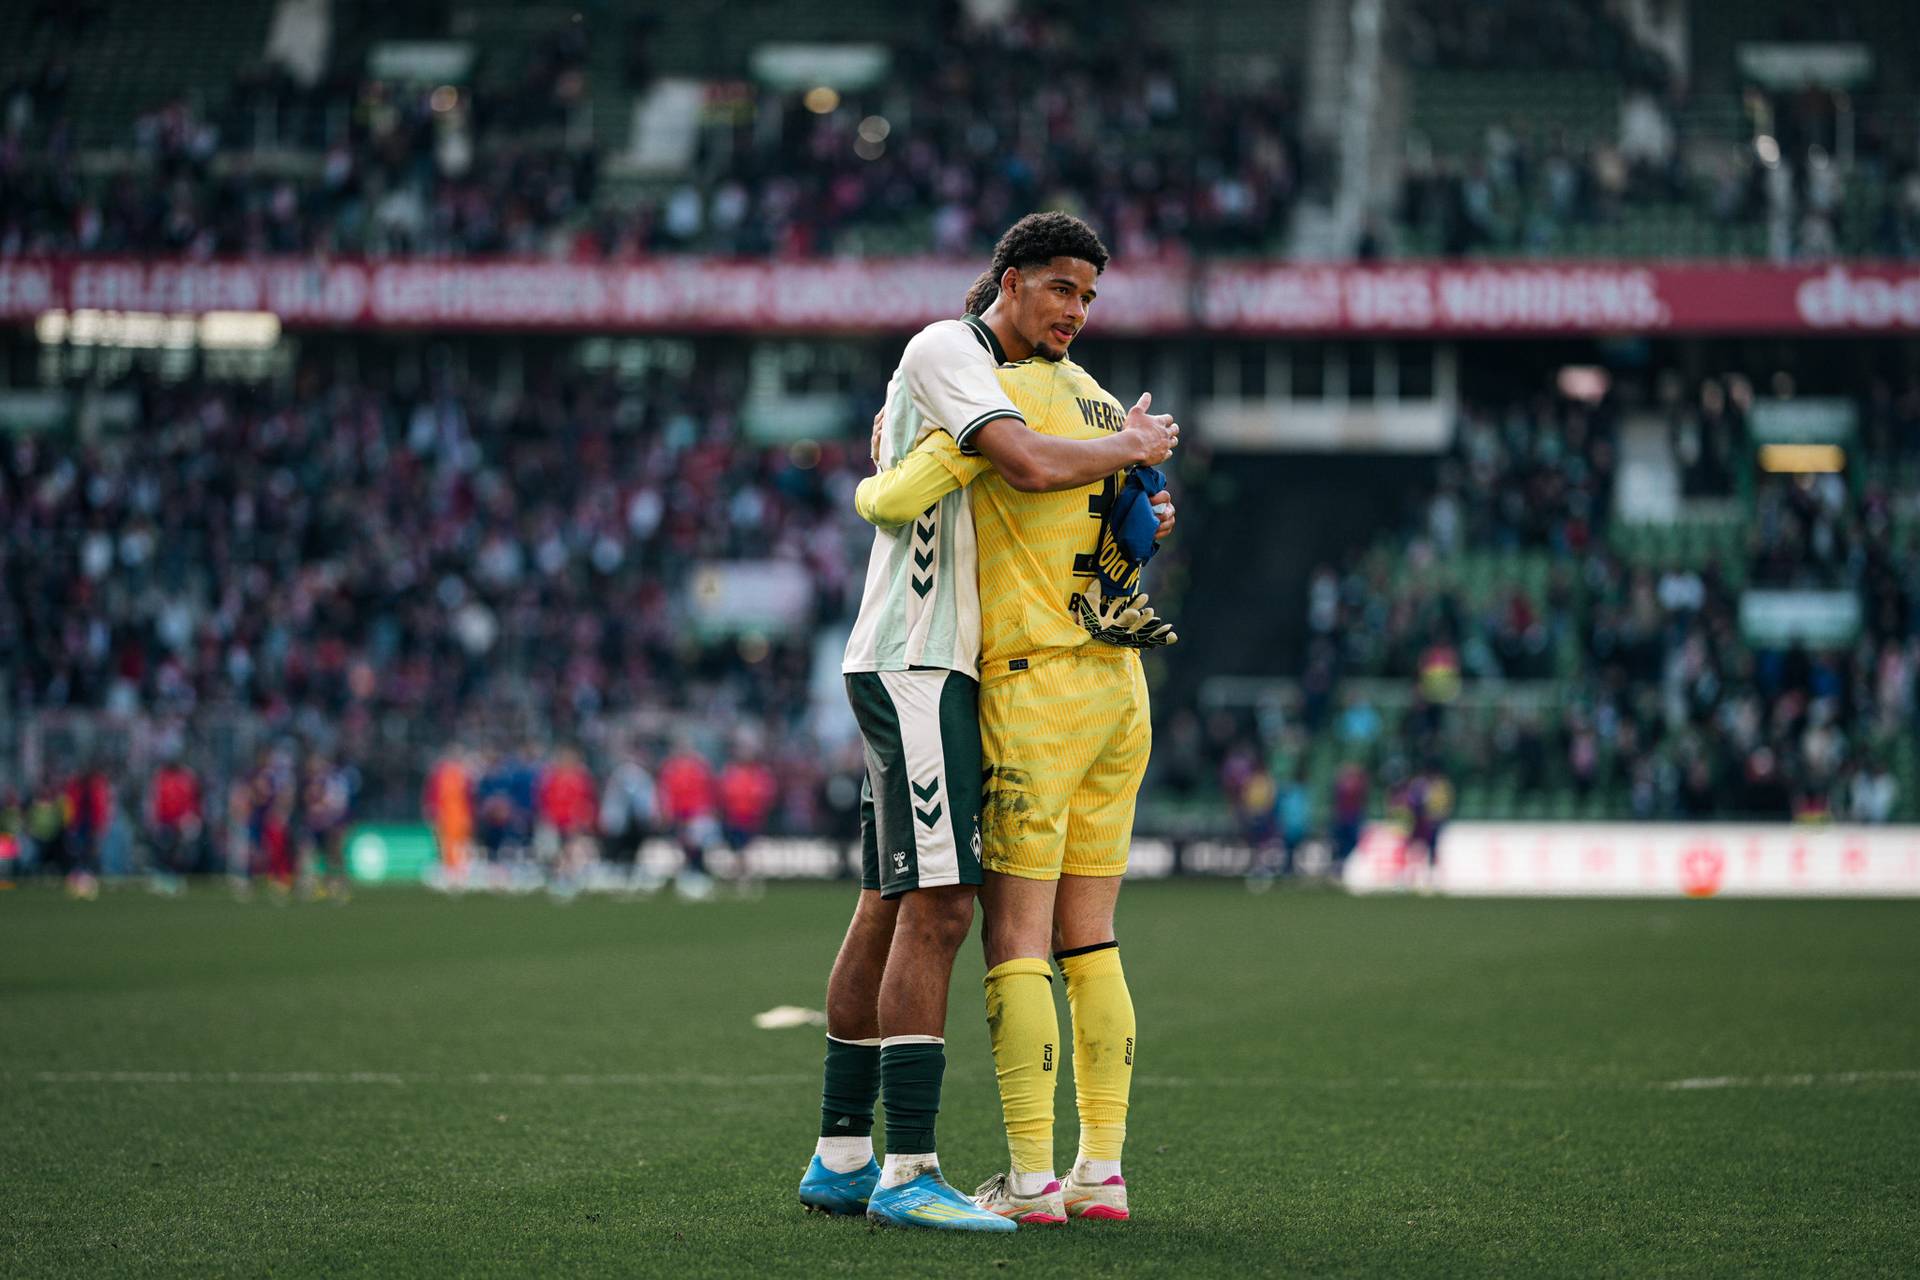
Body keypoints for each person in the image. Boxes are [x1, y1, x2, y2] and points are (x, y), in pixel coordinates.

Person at [801, 211, 1177, 1233]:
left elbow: (1086, 512)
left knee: (893, 898)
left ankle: (842, 1150)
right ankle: (909, 1169)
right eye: (1060, 288)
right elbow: (1015, 461)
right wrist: (1128, 447)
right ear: (1008, 280)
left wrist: (1137, 496)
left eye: (1089, 297)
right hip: (920, 656)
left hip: (958, 662)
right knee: (946, 905)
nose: (1075, 312)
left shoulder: (1053, 386)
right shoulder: (949, 349)